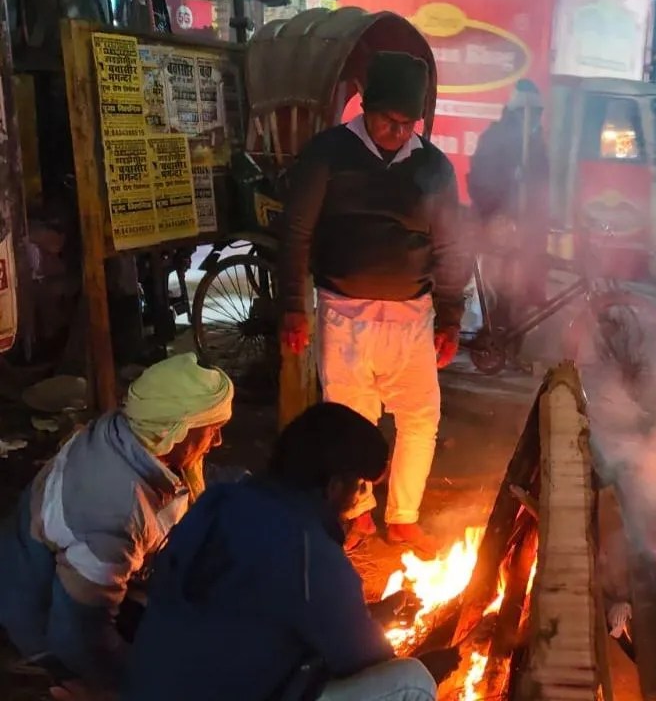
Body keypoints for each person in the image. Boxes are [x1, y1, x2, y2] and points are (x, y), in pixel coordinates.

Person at [123, 402, 449, 701]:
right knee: (413, 681)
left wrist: (373, 616)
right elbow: (365, 660)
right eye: (360, 487)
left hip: (156, 685)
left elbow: (251, 607)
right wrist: (426, 662)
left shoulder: (220, 501)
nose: (358, 498)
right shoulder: (311, 552)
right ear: (335, 486)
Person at [280, 51, 471, 557]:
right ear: (366, 106)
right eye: (390, 120)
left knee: (421, 417)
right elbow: (297, 233)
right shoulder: (328, 154)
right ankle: (358, 511)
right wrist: (293, 306)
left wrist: (451, 317)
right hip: (344, 314)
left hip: (413, 317)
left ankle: (403, 517)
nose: (398, 131)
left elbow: (452, 245)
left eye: (409, 124)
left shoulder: (433, 167)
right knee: (350, 420)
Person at [0, 354, 232, 694]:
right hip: (40, 614)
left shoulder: (126, 431)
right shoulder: (111, 513)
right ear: (175, 431)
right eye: (212, 430)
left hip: (74, 577)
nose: (219, 441)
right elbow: (77, 635)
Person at [467, 80, 551, 330]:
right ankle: (491, 333)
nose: (534, 118)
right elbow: (480, 182)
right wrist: (497, 216)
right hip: (497, 228)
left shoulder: (536, 143)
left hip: (525, 229)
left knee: (521, 290)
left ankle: (512, 333)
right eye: (530, 113)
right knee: (498, 288)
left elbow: (542, 184)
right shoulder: (494, 138)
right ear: (517, 112)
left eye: (538, 113)